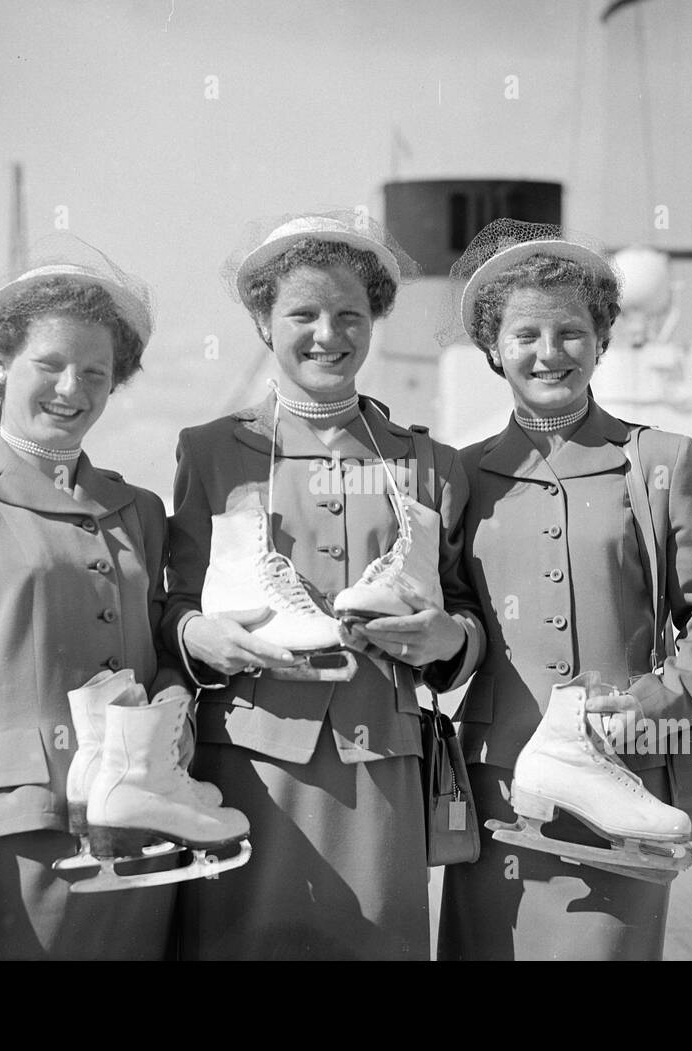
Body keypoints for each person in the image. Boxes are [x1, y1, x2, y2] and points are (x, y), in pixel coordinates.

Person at [162, 213, 486, 960]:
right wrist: (195, 635)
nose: (326, 335)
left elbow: (466, 615)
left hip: (384, 773)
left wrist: (450, 641)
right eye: (302, 315)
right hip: (251, 767)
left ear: (374, 318)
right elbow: (174, 602)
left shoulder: (430, 463)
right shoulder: (210, 451)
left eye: (349, 315)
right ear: (263, 324)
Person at [437, 220, 692, 961]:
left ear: (603, 339)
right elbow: (454, 619)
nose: (548, 353)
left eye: (571, 332)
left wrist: (655, 703)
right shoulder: (459, 474)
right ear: (492, 348)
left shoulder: (660, 461)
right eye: (525, 335)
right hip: (501, 787)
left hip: (627, 780)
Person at [0, 240, 189, 960]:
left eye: (95, 373)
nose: (71, 390)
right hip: (25, 855)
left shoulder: (139, 508)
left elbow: (160, 653)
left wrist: (173, 698)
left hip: (144, 837)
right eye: (49, 365)